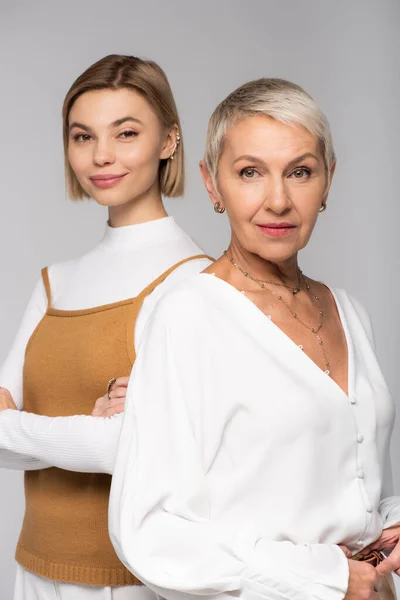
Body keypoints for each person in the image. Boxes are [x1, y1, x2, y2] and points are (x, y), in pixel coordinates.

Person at [109, 78, 400, 600]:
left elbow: (350, 483)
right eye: (249, 173)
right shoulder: (188, 315)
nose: (278, 200)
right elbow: (150, 530)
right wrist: (325, 578)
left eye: (301, 172)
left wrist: (391, 526)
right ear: (212, 183)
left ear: (328, 180)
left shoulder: (349, 311)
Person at [0, 54, 211, 600]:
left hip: (134, 581)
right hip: (33, 571)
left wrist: (27, 427)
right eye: (82, 136)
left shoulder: (196, 283)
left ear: (169, 141)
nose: (101, 156)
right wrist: (91, 432)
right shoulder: (55, 282)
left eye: (126, 132)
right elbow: (110, 443)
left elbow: (138, 450)